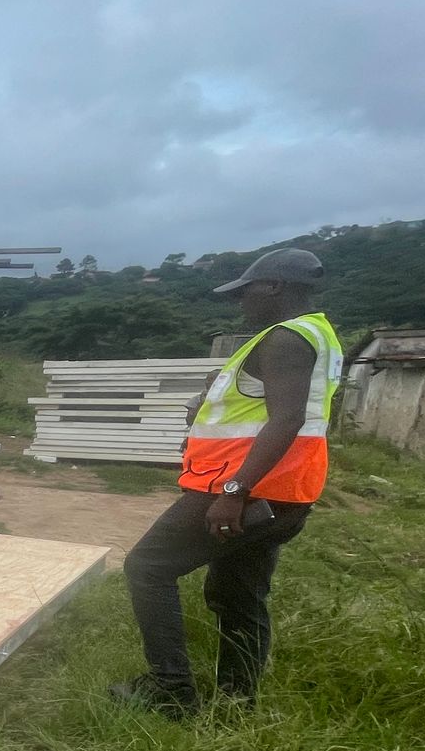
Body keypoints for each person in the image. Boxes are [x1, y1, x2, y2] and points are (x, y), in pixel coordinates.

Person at [113, 249, 342, 715]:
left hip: (239, 491)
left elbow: (286, 420)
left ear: (275, 286)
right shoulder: (316, 336)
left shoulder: (285, 339)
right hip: (285, 494)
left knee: (147, 568)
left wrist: (235, 492)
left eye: (247, 291)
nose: (241, 302)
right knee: (237, 596)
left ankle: (170, 691)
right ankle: (238, 703)